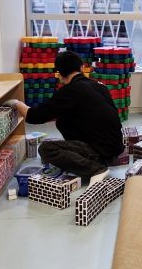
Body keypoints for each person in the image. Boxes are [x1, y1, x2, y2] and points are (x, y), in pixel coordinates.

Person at [11, 51, 124, 180]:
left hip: (101, 151)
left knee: (46, 149)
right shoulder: (99, 86)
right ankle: (93, 159)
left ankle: (96, 169)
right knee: (65, 119)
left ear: (59, 74)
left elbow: (34, 116)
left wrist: (16, 103)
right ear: (82, 68)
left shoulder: (69, 91)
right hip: (115, 147)